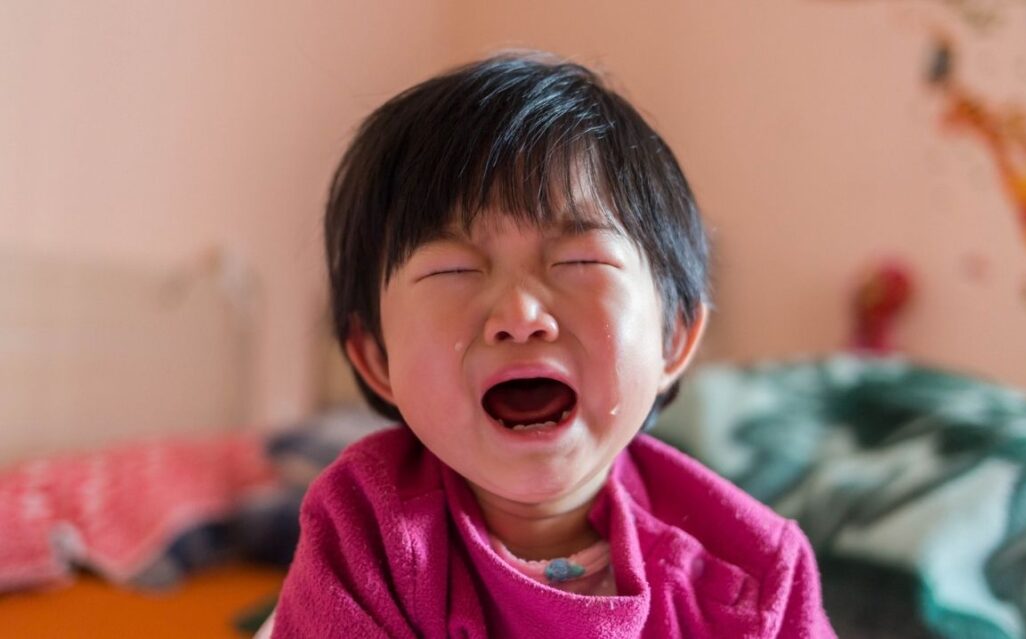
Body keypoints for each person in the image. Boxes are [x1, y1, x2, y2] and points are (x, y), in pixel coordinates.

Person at [268, 52, 835, 638]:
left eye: (579, 261)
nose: (520, 315)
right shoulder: (365, 530)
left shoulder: (757, 574)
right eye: (453, 271)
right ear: (375, 357)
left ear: (674, 337)